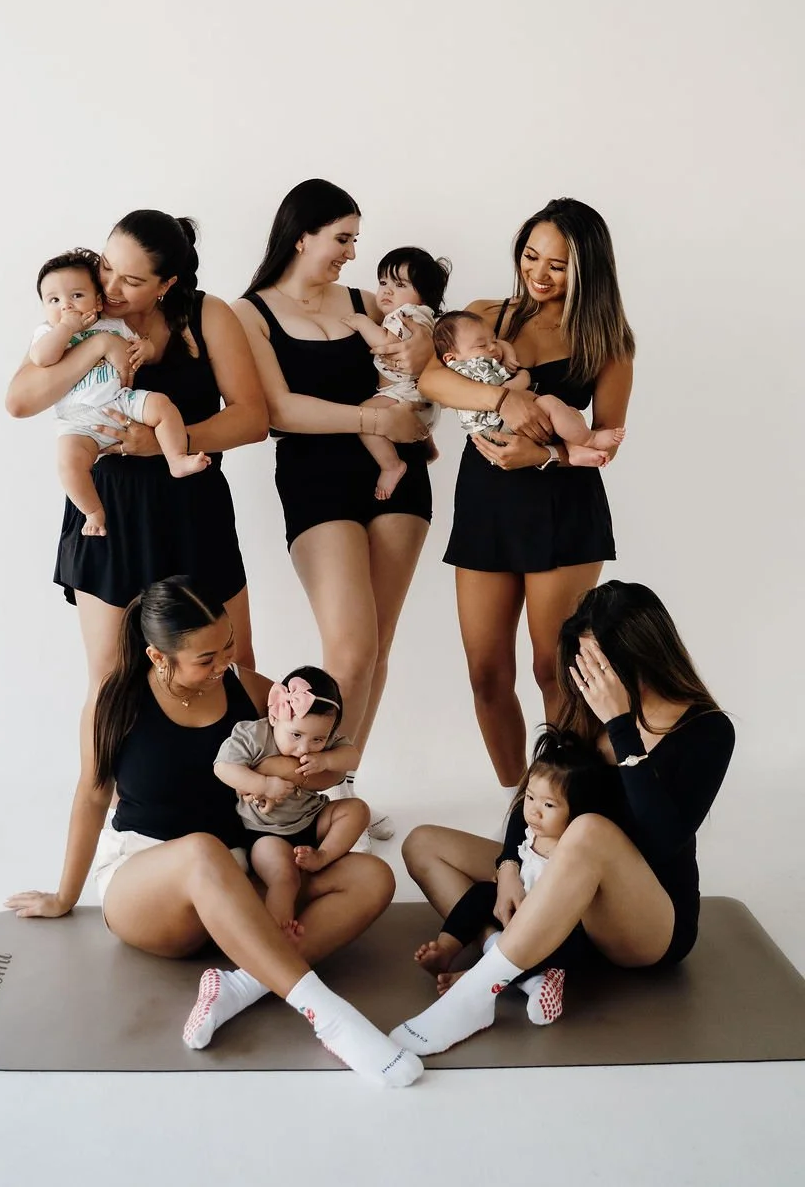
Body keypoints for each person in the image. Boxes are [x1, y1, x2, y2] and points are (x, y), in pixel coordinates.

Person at [5, 577, 422, 1088]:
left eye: (226, 646)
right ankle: (331, 1018)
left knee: (373, 876)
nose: (223, 662)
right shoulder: (114, 702)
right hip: (151, 885)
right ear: (160, 657)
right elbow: (91, 798)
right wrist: (64, 896)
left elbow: (321, 758)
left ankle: (240, 986)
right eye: (205, 658)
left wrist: (292, 769)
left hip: (243, 872)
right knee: (202, 852)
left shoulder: (246, 686)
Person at [392, 581, 735, 1056]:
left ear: (642, 652)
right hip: (555, 879)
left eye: (601, 663)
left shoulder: (707, 729)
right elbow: (532, 797)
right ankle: (510, 955)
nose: (590, 676)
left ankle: (477, 993)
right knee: (423, 842)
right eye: (584, 662)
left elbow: (663, 841)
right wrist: (509, 867)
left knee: (589, 830)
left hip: (648, 922)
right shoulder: (584, 711)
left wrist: (621, 728)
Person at [233, 182, 433, 838]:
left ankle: (341, 792)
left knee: (376, 651)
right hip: (314, 475)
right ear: (301, 235)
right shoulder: (249, 313)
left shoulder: (365, 302)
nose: (352, 253)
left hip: (394, 476)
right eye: (342, 238)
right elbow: (278, 411)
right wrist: (375, 417)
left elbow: (411, 360)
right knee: (347, 651)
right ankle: (305, 799)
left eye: (355, 239)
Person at [417, 198, 636, 787]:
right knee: (486, 672)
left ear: (588, 269)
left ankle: (570, 797)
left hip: (563, 508)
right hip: (487, 508)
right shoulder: (487, 317)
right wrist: (503, 398)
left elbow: (606, 440)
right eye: (531, 255)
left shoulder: (608, 339)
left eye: (557, 265)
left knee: (553, 667)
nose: (538, 274)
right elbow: (431, 376)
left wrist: (543, 455)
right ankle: (519, 800)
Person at [6, 209, 269, 698]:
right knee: (112, 680)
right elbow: (20, 401)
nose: (108, 286)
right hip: (110, 511)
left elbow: (253, 419)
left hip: (193, 505)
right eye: (106, 266)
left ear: (166, 284)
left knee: (232, 666)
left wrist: (171, 441)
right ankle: (98, 781)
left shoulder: (208, 315)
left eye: (130, 280)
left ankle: (239, 773)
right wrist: (96, 344)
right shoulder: (80, 312)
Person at [412, 727, 613, 1025]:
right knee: (481, 894)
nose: (534, 812)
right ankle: (446, 946)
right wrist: (508, 873)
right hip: (516, 913)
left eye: (548, 805)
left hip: (551, 929)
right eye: (530, 798)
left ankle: (482, 978)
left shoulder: (574, 846)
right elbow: (513, 863)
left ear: (578, 811)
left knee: (568, 947)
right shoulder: (532, 834)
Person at [31, 248, 210, 536]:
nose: (66, 306)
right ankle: (93, 511)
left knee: (162, 405)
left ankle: (176, 458)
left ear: (98, 299)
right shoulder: (47, 334)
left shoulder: (114, 325)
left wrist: (147, 349)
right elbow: (42, 358)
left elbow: (143, 351)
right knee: (68, 464)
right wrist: (65, 329)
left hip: (120, 401)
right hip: (78, 421)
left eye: (76, 296)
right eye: (54, 300)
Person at [214, 668, 370, 936]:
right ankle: (277, 930)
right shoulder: (252, 735)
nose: (304, 749)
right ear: (275, 716)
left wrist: (327, 760)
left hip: (311, 818)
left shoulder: (325, 742)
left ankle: (323, 856)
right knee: (285, 878)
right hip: (266, 832)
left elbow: (352, 757)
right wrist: (263, 784)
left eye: (318, 740)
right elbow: (223, 768)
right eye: (296, 735)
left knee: (357, 810)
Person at [432, 309, 626, 468]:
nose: (493, 348)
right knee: (549, 402)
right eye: (483, 345)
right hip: (498, 430)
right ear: (450, 357)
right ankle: (589, 439)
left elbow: (496, 344)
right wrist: (524, 377)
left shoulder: (468, 353)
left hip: (558, 481)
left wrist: (506, 353)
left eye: (493, 340)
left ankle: (574, 449)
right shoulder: (475, 367)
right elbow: (506, 392)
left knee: (569, 413)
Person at [341, 246, 450, 498]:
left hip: (404, 396)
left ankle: (391, 465)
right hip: (423, 403)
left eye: (400, 285)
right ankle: (428, 447)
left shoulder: (405, 314)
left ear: (423, 295)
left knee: (364, 416)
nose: (387, 290)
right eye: (383, 282)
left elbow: (385, 342)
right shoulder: (426, 318)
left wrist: (361, 322)